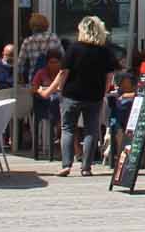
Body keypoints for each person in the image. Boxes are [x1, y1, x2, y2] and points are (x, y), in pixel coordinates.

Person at [47, 17, 115, 178]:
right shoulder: (104, 51)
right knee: (91, 130)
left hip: (72, 93)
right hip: (94, 95)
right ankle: (86, 167)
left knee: (68, 128)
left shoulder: (74, 48)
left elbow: (64, 72)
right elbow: (110, 75)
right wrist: (104, 90)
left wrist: (60, 88)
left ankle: (66, 165)